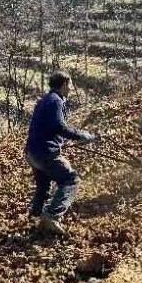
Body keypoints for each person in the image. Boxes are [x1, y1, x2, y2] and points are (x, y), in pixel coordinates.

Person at [25, 71, 97, 235]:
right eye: (70, 84)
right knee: (71, 180)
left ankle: (35, 218)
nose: (71, 88)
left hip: (32, 152)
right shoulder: (55, 101)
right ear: (64, 84)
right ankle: (51, 216)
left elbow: (47, 128)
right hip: (46, 153)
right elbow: (59, 126)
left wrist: (62, 141)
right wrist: (81, 135)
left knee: (43, 186)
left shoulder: (44, 100)